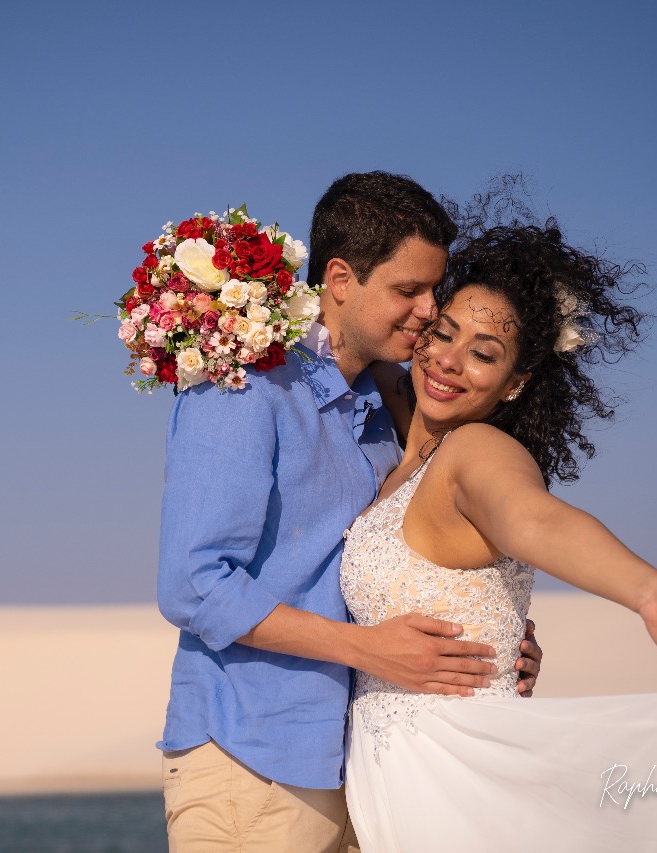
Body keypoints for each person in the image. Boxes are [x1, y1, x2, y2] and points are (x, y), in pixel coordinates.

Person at [155, 172, 542, 853]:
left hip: (364, 775)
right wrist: (367, 648)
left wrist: (492, 636)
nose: (428, 309)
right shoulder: (247, 383)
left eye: (434, 289)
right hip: (254, 764)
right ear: (339, 277)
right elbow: (193, 583)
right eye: (408, 290)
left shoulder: (383, 411)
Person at [341, 219, 657, 850]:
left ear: (517, 382)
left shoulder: (475, 451)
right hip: (390, 777)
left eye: (484, 353)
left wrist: (646, 590)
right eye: (443, 335)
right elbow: (359, 346)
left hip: (453, 782)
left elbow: (534, 520)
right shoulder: (409, 439)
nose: (450, 360)